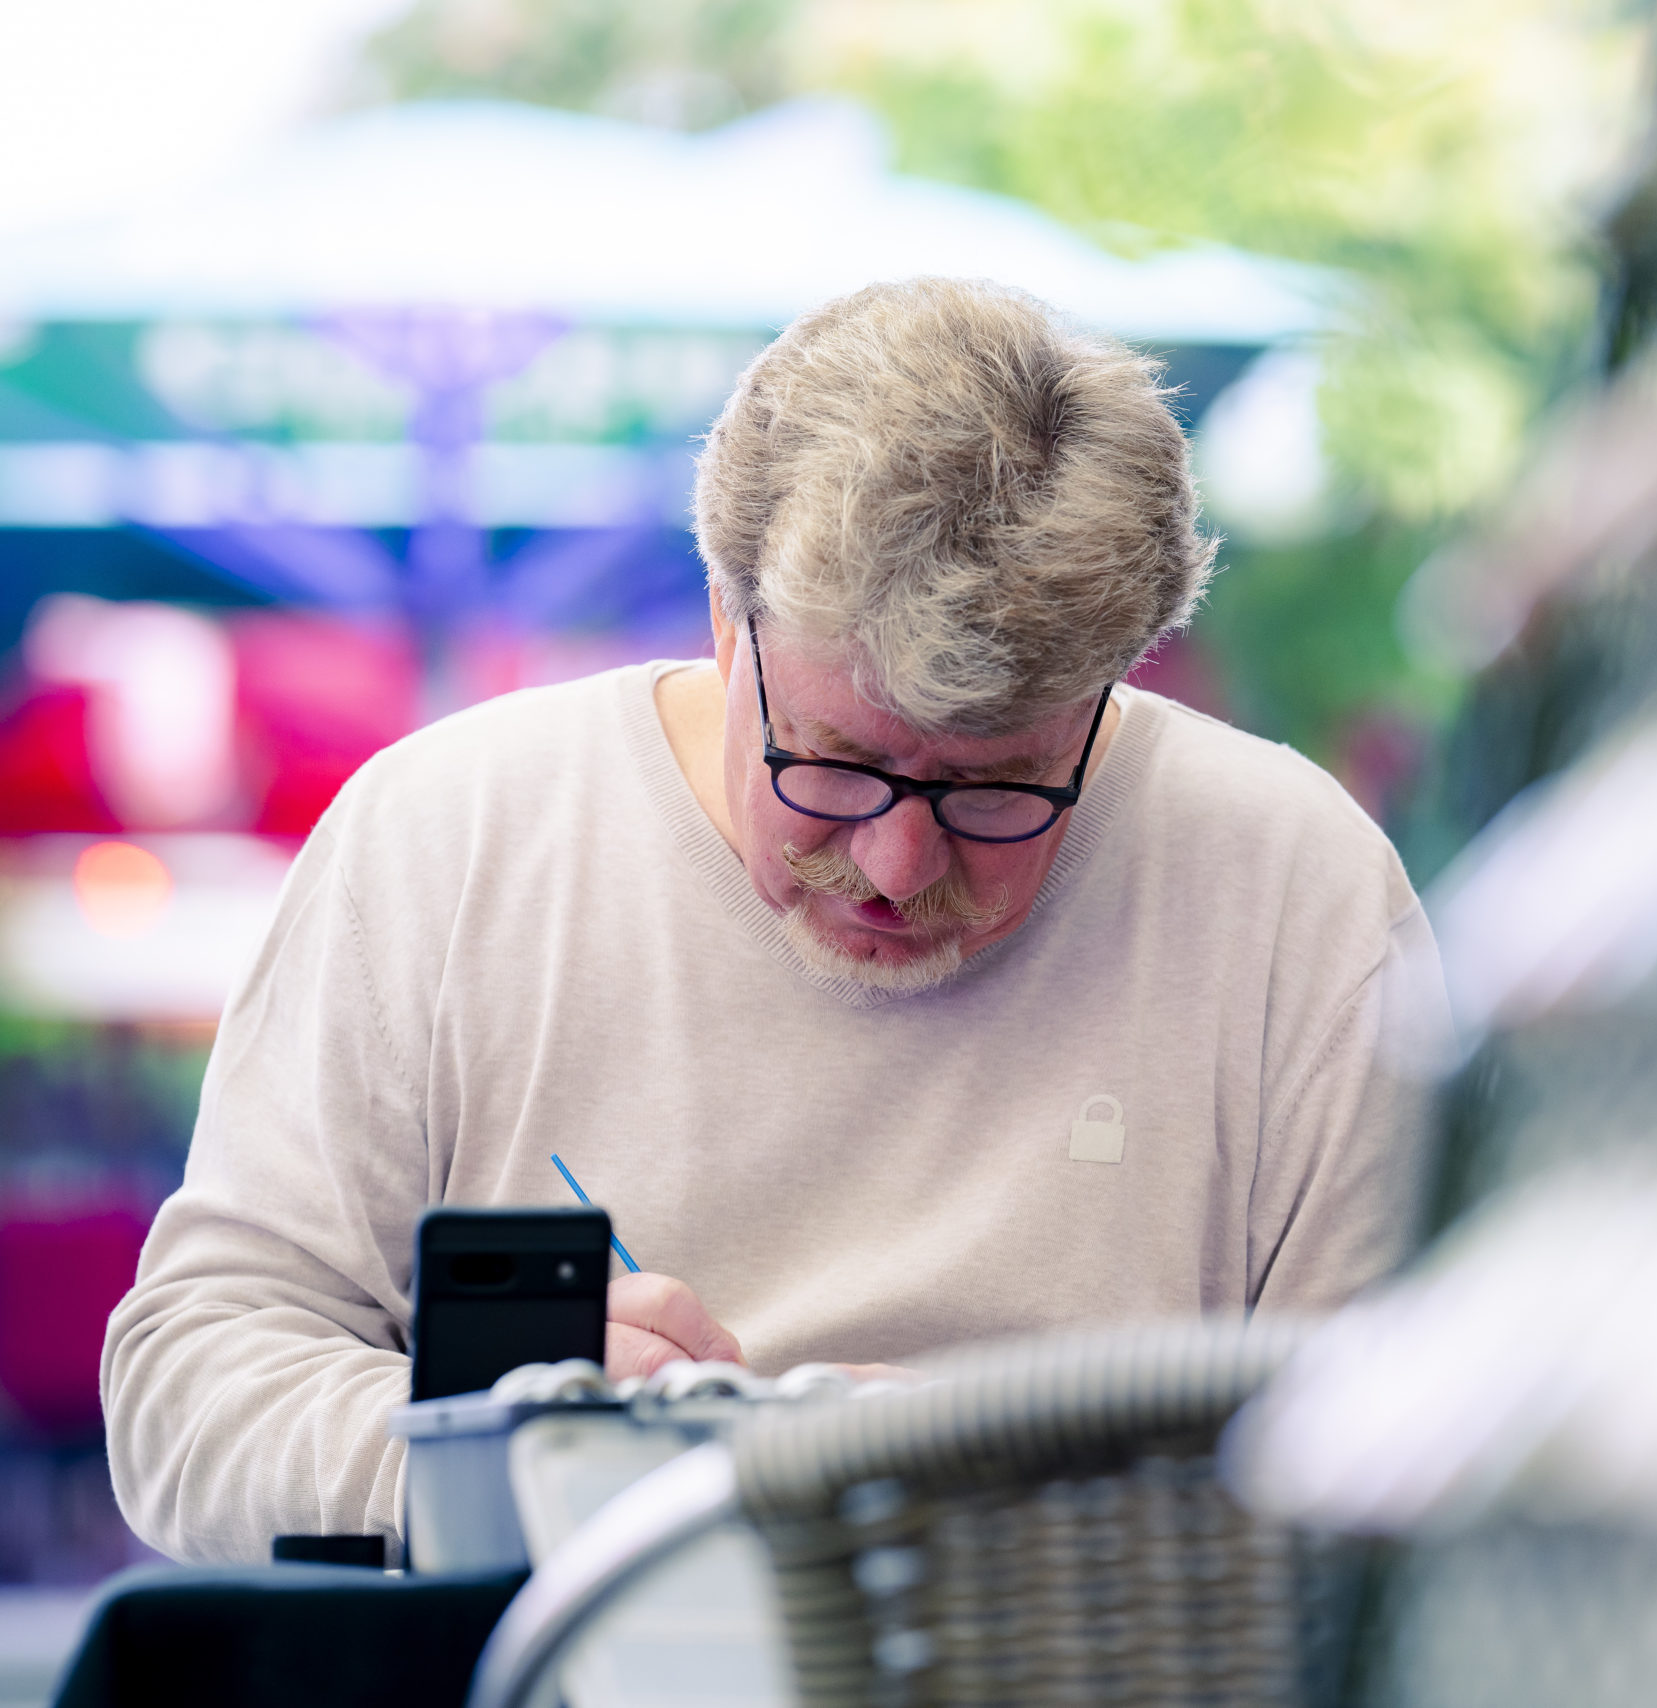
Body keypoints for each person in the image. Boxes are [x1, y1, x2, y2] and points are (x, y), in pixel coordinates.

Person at [101, 278, 1446, 1564]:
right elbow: (187, 1392)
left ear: (1114, 687)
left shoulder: (1293, 887)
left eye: (996, 788)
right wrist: (502, 1465)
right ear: (722, 619)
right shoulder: (448, 837)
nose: (898, 861)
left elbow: (1418, 1451)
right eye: (836, 762)